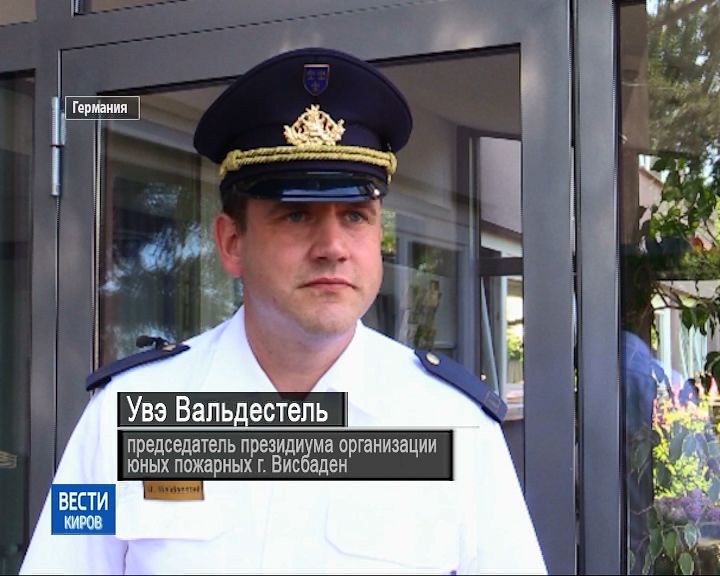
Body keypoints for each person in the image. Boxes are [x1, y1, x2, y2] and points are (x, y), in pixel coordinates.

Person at [20, 47, 545, 574]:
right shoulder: (125, 416)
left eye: (356, 216)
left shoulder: (454, 427)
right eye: (296, 215)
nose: (333, 247)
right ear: (231, 243)